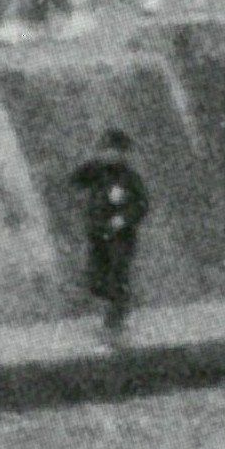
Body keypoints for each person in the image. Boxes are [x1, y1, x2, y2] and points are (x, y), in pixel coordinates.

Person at [70, 126, 153, 341]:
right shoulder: (97, 173)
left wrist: (123, 219)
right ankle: (119, 307)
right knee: (96, 279)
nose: (108, 154)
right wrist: (91, 162)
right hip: (98, 234)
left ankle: (114, 322)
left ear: (123, 154)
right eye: (105, 150)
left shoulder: (130, 178)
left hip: (121, 237)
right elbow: (75, 180)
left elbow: (141, 204)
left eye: (113, 151)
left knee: (117, 275)